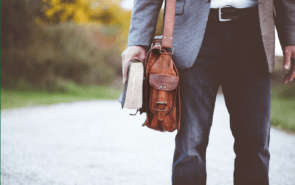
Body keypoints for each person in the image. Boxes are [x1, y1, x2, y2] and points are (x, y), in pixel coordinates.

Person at [121, 0, 295, 184]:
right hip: (193, 33)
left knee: (255, 144)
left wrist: (291, 35)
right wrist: (138, 40)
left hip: (255, 32)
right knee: (190, 144)